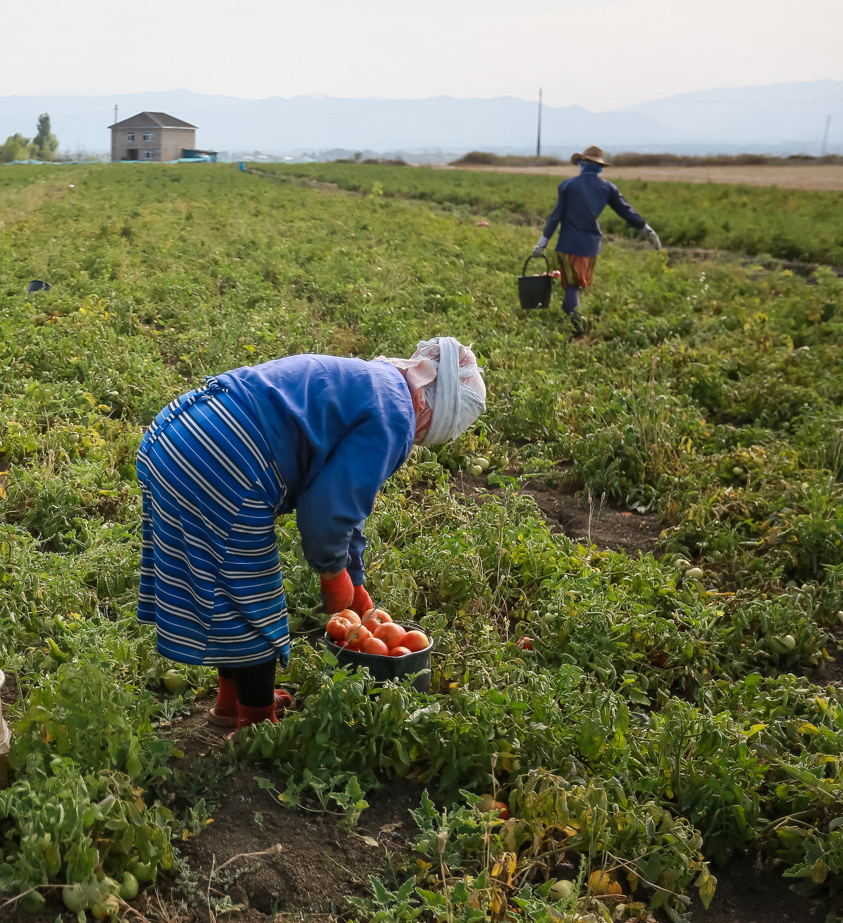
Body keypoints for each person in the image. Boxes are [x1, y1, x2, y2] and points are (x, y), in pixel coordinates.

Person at [137, 339, 486, 730]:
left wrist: (355, 578)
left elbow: (345, 502)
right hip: (221, 455)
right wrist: (332, 573)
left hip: (176, 434)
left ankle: (230, 703)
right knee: (253, 596)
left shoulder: (377, 383)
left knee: (225, 585)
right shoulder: (396, 416)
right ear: (434, 410)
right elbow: (327, 512)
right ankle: (256, 724)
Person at [532, 145, 660, 334]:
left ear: (582, 163)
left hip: (568, 243)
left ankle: (576, 326)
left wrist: (542, 243)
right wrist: (646, 229)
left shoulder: (568, 185)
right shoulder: (607, 187)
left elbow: (555, 217)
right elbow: (626, 210)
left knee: (571, 284)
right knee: (576, 283)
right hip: (591, 246)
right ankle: (564, 319)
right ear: (598, 167)